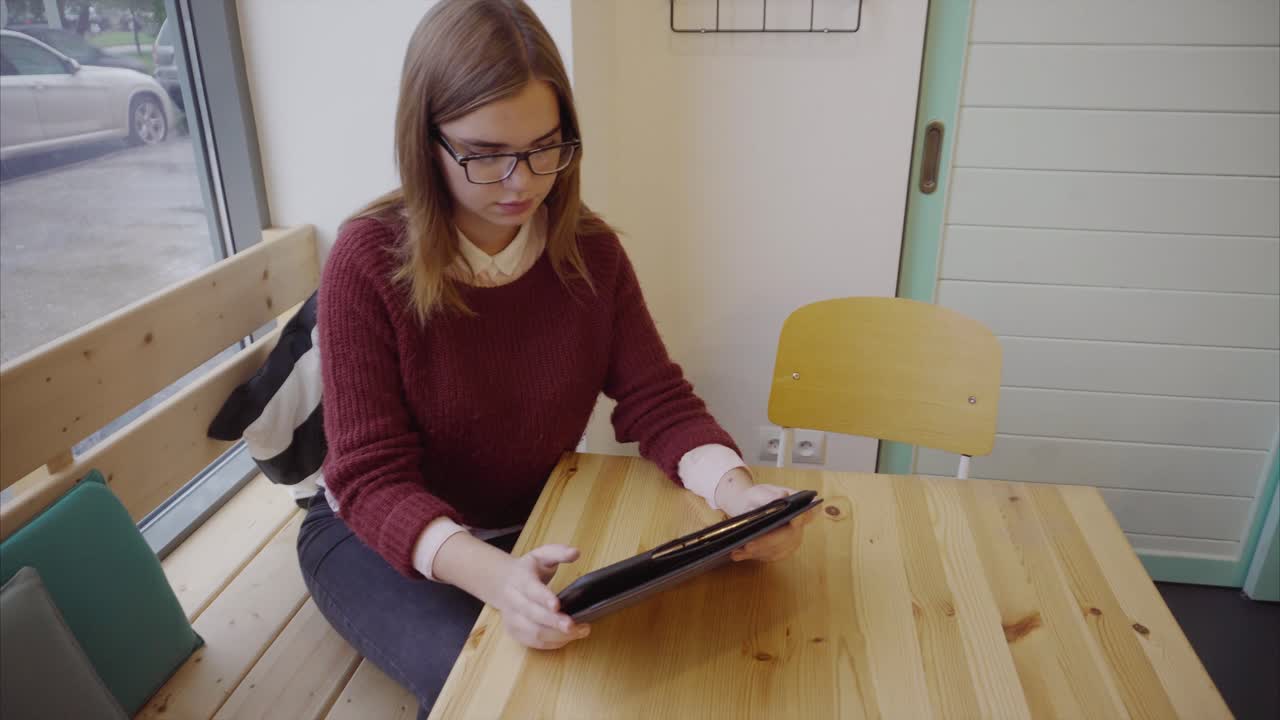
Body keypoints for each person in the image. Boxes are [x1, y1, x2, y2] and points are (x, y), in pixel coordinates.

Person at [296, 0, 813, 716]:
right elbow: (368, 478)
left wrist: (739, 497)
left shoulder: (589, 252)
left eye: (546, 146)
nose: (521, 180)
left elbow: (656, 400)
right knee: (491, 686)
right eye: (484, 155)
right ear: (425, 141)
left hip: (531, 528)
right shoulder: (367, 261)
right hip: (374, 538)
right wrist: (497, 577)